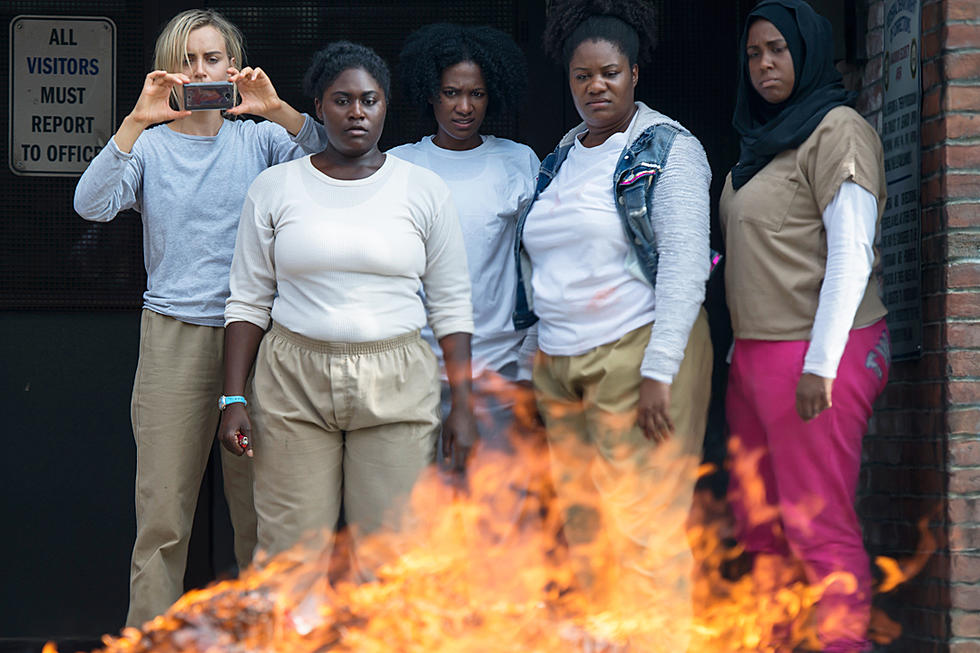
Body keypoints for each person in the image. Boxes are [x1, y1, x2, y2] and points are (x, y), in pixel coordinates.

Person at [72, 9, 328, 627]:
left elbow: (336, 156)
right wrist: (137, 118)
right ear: (168, 69)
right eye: (188, 60)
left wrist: (277, 109)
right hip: (173, 335)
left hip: (258, 335)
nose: (201, 71)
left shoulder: (259, 138)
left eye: (213, 59)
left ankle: (262, 638)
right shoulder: (152, 144)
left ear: (233, 65)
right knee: (162, 515)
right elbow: (91, 203)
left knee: (262, 513)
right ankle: (150, 639)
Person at [218, 41, 477, 561]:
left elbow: (450, 304)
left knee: (391, 559)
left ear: (385, 106)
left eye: (369, 100)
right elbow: (247, 300)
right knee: (291, 556)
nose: (356, 112)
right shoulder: (275, 187)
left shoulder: (422, 190)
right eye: (342, 100)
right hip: (293, 378)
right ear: (319, 107)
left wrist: (463, 404)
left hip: (398, 379)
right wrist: (232, 398)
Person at [513, 1, 714, 647]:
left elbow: (686, 262)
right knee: (588, 531)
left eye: (609, 73)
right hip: (561, 362)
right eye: (581, 76)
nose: (595, 87)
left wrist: (660, 368)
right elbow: (544, 262)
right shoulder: (566, 152)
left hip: (636, 351)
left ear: (634, 74)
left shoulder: (668, 148)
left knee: (644, 532)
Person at [721, 1, 890, 650]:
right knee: (761, 528)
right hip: (757, 357)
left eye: (779, 50)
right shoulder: (764, 141)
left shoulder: (836, 129)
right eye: (754, 52)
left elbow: (852, 250)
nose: (765, 63)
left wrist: (820, 363)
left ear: (807, 53)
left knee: (815, 525)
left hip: (819, 356)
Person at [388, 23, 542, 496]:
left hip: (499, 371)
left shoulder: (518, 162)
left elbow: (537, 265)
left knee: (501, 521)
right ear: (429, 95)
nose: (464, 106)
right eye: (451, 93)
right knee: (423, 525)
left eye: (476, 93)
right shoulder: (399, 166)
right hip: (414, 374)